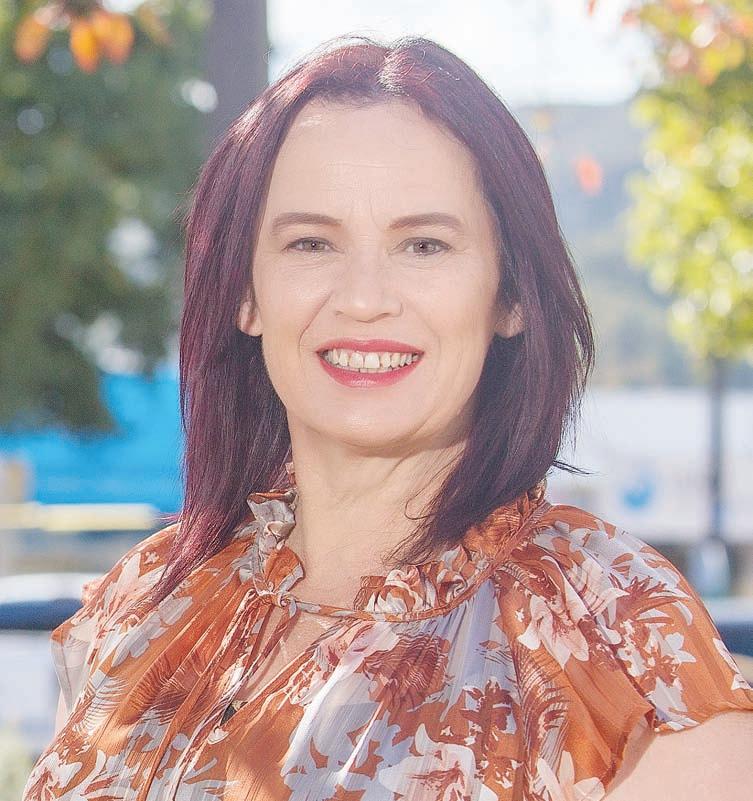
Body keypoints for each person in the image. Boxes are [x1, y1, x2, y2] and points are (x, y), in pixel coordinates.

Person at [23, 33, 753, 801]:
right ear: (245, 292)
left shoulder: (615, 633)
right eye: (311, 242)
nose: (364, 297)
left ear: (509, 295)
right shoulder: (149, 601)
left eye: (423, 245)